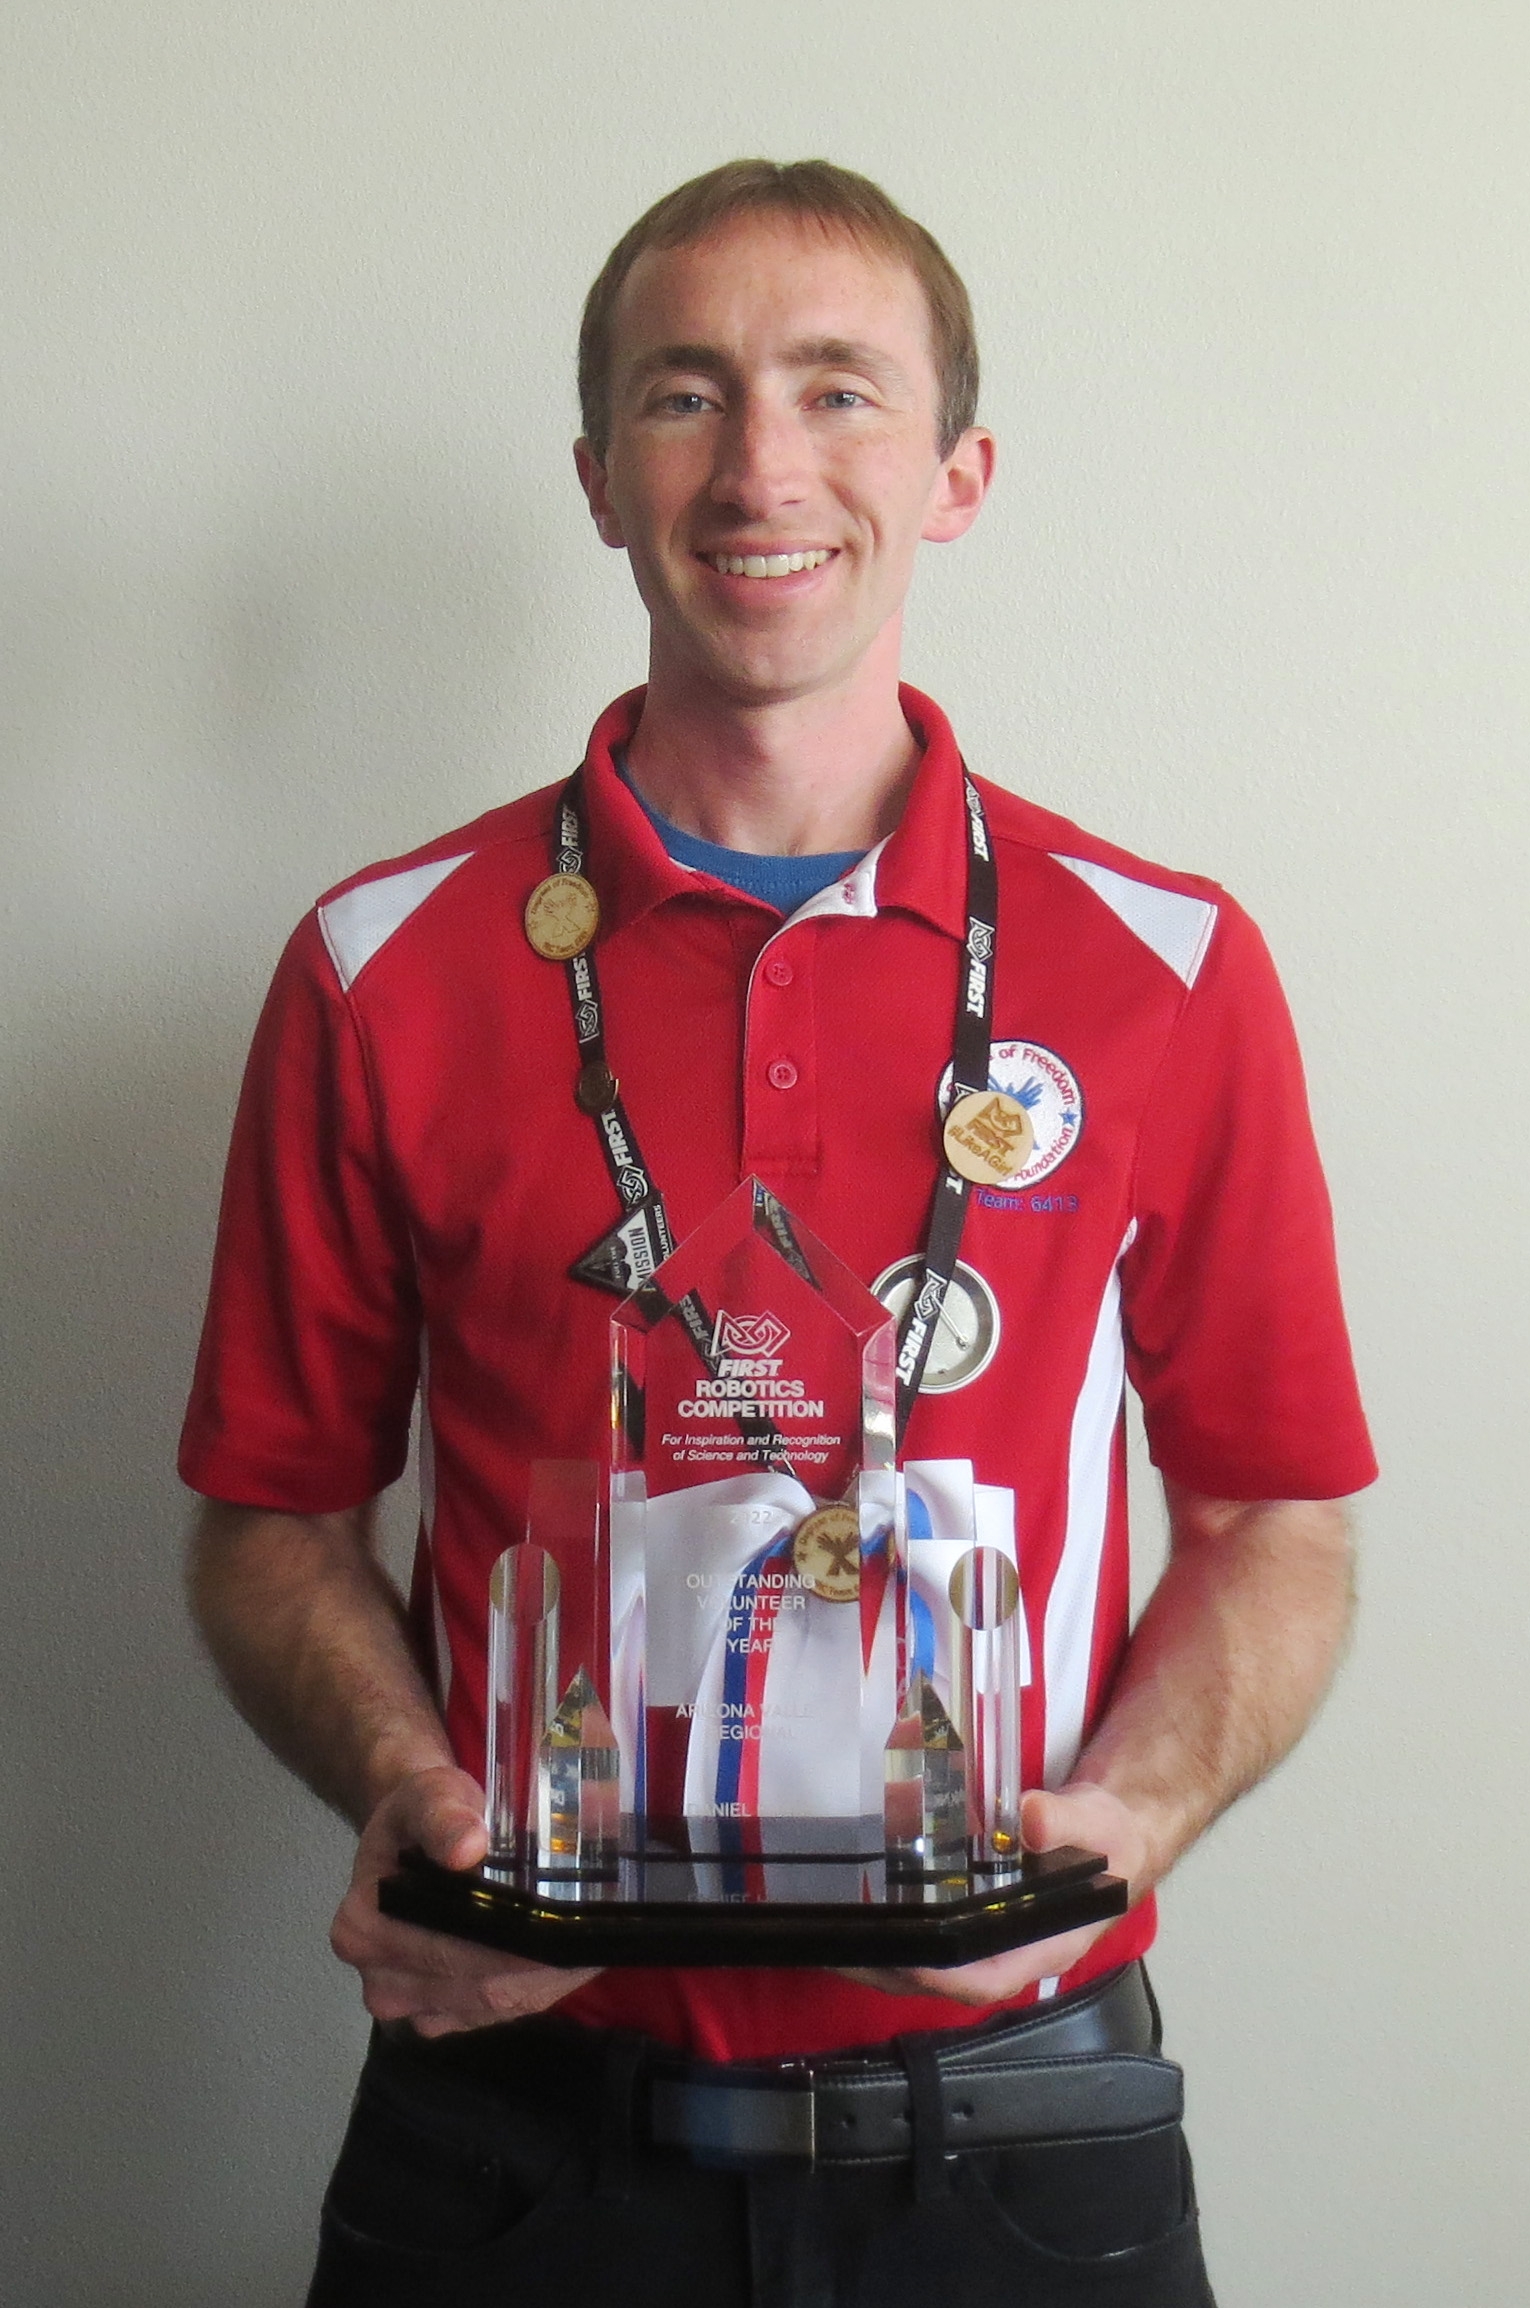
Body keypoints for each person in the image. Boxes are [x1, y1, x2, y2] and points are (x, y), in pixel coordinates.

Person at [182, 159, 1376, 2307]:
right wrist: (405, 1779)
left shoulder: (1166, 966)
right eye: (683, 394)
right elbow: (268, 1520)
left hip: (1022, 2134)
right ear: (593, 472)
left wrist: (1140, 1810)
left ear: (959, 471)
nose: (762, 466)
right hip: (518, 2137)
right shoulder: (381, 963)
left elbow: (1277, 1511)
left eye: (841, 391)